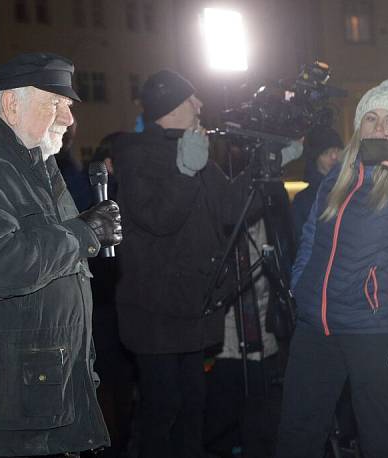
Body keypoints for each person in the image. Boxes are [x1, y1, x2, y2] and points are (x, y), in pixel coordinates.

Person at [0, 52, 120, 457]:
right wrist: (83, 233)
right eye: (56, 103)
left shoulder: (35, 165)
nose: (68, 118)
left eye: (68, 106)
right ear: (12, 104)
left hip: (35, 389)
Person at [111, 70, 302, 458]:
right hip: (156, 317)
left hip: (192, 310)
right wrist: (183, 174)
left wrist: (267, 166)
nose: (200, 106)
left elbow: (232, 208)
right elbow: (157, 220)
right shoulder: (136, 155)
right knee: (163, 410)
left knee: (192, 410)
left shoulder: (194, 149)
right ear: (169, 108)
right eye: (190, 100)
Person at [275, 78, 388, 458]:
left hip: (373, 333)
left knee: (378, 441)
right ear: (358, 127)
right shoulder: (337, 177)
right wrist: (301, 289)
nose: (379, 127)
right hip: (316, 329)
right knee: (297, 437)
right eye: (371, 117)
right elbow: (312, 238)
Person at [291, 126, 344, 243]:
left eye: (337, 150)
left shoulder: (353, 188)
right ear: (315, 158)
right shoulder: (304, 200)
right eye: (326, 153)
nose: (334, 157)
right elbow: (301, 243)